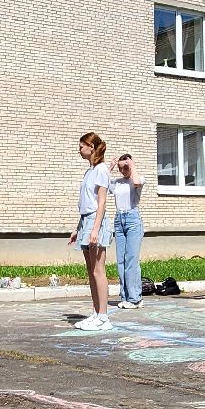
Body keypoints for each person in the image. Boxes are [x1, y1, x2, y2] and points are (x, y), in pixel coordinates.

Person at [70, 132, 115, 330]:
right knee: (90, 271)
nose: (79, 150)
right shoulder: (91, 170)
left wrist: (95, 229)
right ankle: (96, 313)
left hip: (97, 222)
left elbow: (101, 201)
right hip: (86, 221)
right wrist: (78, 228)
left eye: (82, 146)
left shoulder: (102, 169)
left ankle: (104, 318)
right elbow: (86, 202)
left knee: (98, 270)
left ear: (92, 147)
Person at [110, 151, 145, 310]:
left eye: (125, 167)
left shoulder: (137, 179)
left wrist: (131, 165)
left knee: (131, 259)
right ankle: (125, 297)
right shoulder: (116, 182)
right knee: (121, 260)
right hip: (119, 219)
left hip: (132, 219)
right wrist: (110, 166)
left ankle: (136, 298)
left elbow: (136, 183)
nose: (123, 171)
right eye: (121, 168)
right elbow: (101, 185)